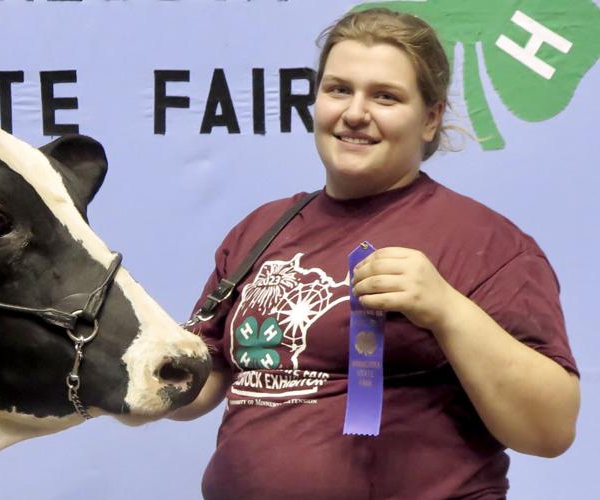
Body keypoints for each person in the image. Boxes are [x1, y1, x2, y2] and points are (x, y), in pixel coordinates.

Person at [169, 7, 580, 499]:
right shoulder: (260, 230)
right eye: (339, 89)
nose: (355, 113)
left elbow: (550, 429)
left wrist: (447, 310)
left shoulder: (489, 245)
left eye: (385, 96)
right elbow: (198, 385)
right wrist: (123, 368)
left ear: (431, 118)